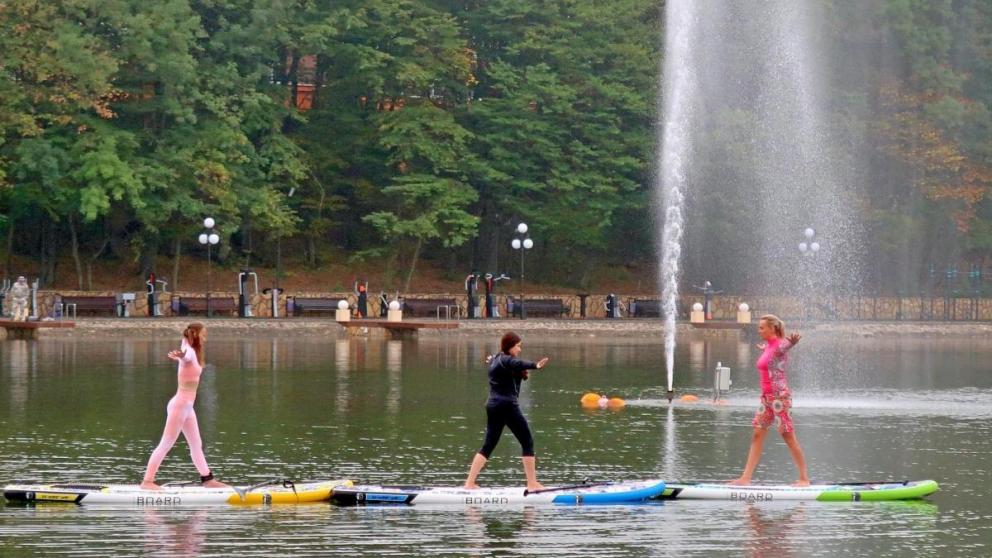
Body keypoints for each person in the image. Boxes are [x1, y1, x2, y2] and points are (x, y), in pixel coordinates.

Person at [141, 323, 228, 490]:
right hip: (180, 406)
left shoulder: (191, 350)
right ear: (195, 335)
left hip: (188, 408)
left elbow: (186, 349)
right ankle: (147, 482)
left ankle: (208, 480)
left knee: (196, 445)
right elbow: (185, 356)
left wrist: (182, 353)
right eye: (203, 335)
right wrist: (181, 356)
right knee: (166, 443)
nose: (205, 338)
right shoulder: (189, 352)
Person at [730, 314, 809, 486]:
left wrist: (792, 343)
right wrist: (765, 349)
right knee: (757, 434)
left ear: (772, 328)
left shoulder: (781, 345)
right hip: (766, 399)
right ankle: (745, 478)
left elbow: (783, 348)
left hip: (780, 398)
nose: (759, 330)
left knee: (788, 436)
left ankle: (804, 478)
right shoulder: (768, 346)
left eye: (762, 327)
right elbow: (772, 353)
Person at [464, 332, 550, 491]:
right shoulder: (506, 360)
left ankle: (469, 483)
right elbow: (517, 364)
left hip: (493, 405)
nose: (519, 348)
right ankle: (532, 484)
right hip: (507, 406)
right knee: (527, 442)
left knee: (488, 446)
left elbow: (506, 363)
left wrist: (491, 359)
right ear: (509, 346)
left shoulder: (497, 359)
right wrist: (535, 365)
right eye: (517, 345)